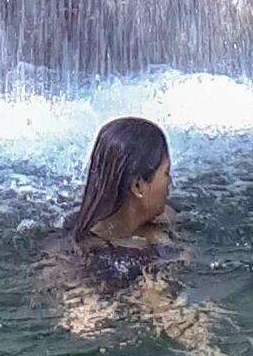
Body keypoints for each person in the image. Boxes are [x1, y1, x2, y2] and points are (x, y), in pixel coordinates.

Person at [65, 114, 175, 276]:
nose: (171, 182)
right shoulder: (86, 255)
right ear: (138, 186)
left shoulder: (164, 220)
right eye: (166, 173)